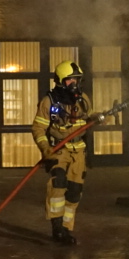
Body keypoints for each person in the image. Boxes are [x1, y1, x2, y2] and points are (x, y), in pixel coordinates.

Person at [32, 59, 93, 246]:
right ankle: (57, 228)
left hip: (79, 152)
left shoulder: (83, 100)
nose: (74, 84)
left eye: (77, 80)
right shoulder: (48, 102)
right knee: (58, 186)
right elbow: (38, 128)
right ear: (59, 80)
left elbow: (88, 119)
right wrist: (45, 149)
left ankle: (67, 229)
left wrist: (98, 118)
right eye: (70, 80)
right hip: (59, 150)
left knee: (74, 192)